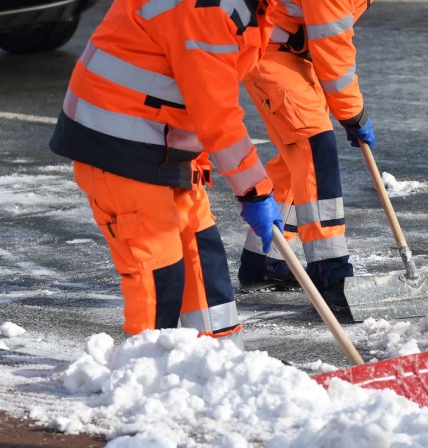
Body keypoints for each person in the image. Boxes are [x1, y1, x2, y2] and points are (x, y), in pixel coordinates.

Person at [49, 0, 282, 349]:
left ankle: (223, 357)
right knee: (159, 271)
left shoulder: (255, 5)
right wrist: (255, 191)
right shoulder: (206, 10)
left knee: (203, 252)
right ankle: (149, 372)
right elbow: (216, 111)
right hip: (116, 143)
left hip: (162, 140)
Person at [236, 0, 376, 312]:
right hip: (267, 49)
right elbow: (333, 50)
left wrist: (350, 112)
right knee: (314, 146)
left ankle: (263, 260)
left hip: (290, 53)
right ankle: (330, 273)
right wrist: (354, 114)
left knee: (296, 157)